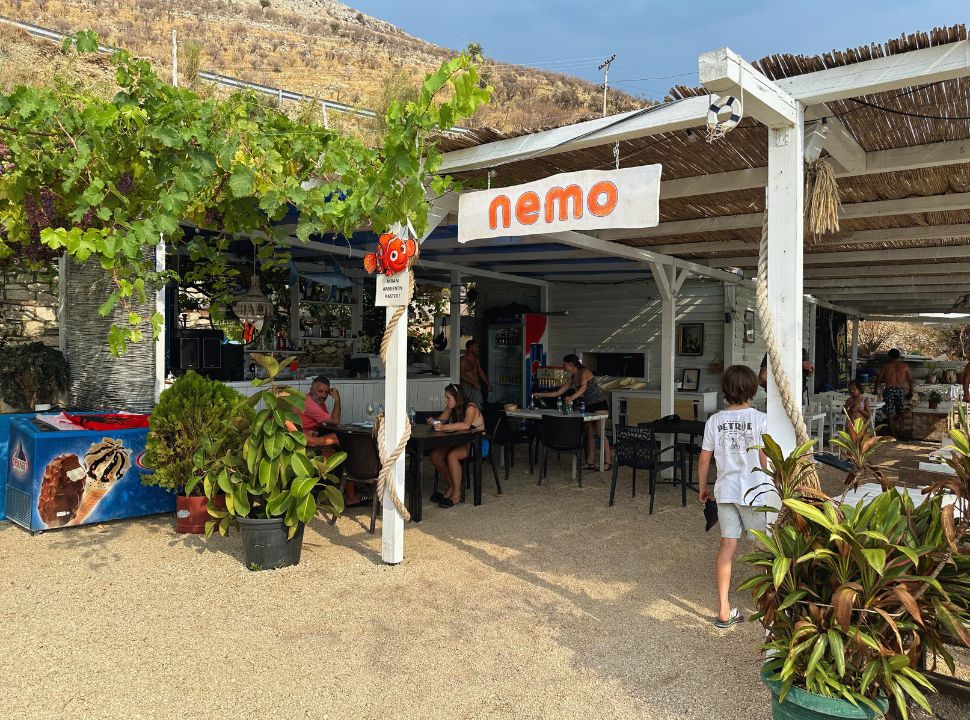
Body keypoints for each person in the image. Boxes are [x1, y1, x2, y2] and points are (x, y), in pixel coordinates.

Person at [697, 365, 768, 629]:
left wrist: (703, 487)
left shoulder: (714, 421)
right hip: (755, 491)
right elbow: (764, 457)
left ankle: (724, 610)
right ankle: (767, 602)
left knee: (727, 547)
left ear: (725, 390)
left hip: (725, 492)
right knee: (763, 549)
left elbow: (704, 458)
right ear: (752, 388)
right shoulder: (761, 419)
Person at [533, 354, 612, 470]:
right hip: (588, 406)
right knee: (589, 433)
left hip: (599, 404)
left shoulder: (584, 371)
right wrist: (541, 394)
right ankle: (590, 462)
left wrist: (572, 398)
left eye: (564, 364)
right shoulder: (572, 377)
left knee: (600, 432)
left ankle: (607, 463)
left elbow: (583, 388)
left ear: (571, 364)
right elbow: (558, 392)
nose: (563, 366)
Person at [298, 376, 362, 506]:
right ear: (311, 390)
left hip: (311, 436)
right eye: (320, 391)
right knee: (344, 445)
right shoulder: (310, 404)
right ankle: (353, 488)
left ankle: (349, 486)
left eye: (326, 392)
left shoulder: (317, 402)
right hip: (306, 442)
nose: (323, 395)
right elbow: (335, 421)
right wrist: (337, 399)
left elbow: (328, 424)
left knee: (341, 444)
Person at [428, 384, 485, 508]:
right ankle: (452, 485)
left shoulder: (470, 407)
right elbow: (440, 421)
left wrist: (443, 427)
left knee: (452, 456)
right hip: (460, 441)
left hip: (476, 443)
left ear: (457, 397)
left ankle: (457, 494)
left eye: (448, 398)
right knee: (435, 456)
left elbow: (465, 425)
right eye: (445, 397)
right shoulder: (452, 407)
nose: (446, 400)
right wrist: (434, 422)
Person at [872, 348, 913, 438]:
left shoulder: (886, 366)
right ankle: (901, 430)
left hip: (889, 390)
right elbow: (910, 380)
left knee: (890, 412)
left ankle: (893, 433)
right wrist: (911, 391)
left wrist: (875, 389)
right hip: (900, 390)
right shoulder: (905, 366)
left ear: (889, 356)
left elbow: (878, 379)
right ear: (899, 356)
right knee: (900, 411)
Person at [459, 339, 492, 408]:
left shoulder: (476, 360)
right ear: (470, 348)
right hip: (466, 387)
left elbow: (480, 372)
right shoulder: (463, 360)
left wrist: (487, 383)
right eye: (476, 347)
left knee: (479, 406)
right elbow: (461, 374)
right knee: (467, 407)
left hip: (476, 387)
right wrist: (473, 382)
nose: (478, 349)